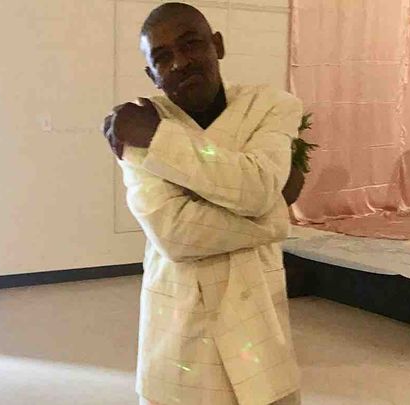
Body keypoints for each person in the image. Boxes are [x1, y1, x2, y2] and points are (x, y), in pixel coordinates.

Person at [102, 3, 303, 404]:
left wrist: (160, 141)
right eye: (162, 57)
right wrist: (272, 215)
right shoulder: (134, 123)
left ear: (218, 46)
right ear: (152, 75)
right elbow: (176, 235)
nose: (180, 62)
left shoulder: (269, 106)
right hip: (181, 325)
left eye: (191, 44)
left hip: (257, 315)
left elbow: (257, 188)